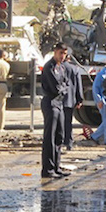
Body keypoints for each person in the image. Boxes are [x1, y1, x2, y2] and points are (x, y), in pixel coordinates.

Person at [40, 43, 71, 178]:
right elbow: (55, 88)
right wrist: (63, 88)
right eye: (61, 53)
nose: (63, 56)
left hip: (59, 103)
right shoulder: (50, 67)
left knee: (59, 136)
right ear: (55, 52)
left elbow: (67, 84)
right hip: (51, 102)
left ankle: (56, 166)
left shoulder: (62, 67)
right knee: (50, 138)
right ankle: (48, 169)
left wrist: (63, 88)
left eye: (64, 53)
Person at [89, 65, 106, 146]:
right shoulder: (101, 74)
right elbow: (95, 88)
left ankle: (94, 136)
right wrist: (99, 100)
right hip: (103, 100)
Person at [62, 63, 83, 150]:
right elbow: (78, 85)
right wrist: (79, 99)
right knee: (68, 122)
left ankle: (60, 141)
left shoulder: (58, 67)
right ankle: (68, 142)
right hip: (70, 100)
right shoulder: (75, 69)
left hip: (58, 100)